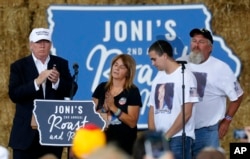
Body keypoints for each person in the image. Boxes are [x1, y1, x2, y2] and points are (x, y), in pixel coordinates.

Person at [177, 28, 244, 158]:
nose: (196, 45)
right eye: (194, 41)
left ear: (210, 47)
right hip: (182, 130)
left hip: (206, 132)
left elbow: (238, 96)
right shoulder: (180, 63)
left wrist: (227, 120)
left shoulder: (221, 68)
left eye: (201, 42)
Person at [8, 28, 73, 159]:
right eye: (38, 42)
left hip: (53, 133)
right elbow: (14, 94)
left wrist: (57, 82)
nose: (42, 45)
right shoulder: (19, 66)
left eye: (46, 41)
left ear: (51, 44)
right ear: (31, 45)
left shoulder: (61, 63)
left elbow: (71, 90)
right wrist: (36, 82)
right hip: (26, 135)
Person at [147, 40, 199, 159]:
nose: (152, 63)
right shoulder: (158, 77)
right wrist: (153, 136)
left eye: (154, 59)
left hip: (179, 138)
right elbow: (152, 109)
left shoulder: (187, 77)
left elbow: (187, 113)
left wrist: (166, 136)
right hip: (159, 140)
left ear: (165, 56)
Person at [92, 54, 142, 155]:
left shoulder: (132, 91)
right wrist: (103, 111)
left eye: (122, 66)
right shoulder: (101, 88)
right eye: (115, 65)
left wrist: (113, 108)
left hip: (123, 147)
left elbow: (132, 122)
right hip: (101, 145)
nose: (117, 68)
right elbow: (92, 115)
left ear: (128, 72)